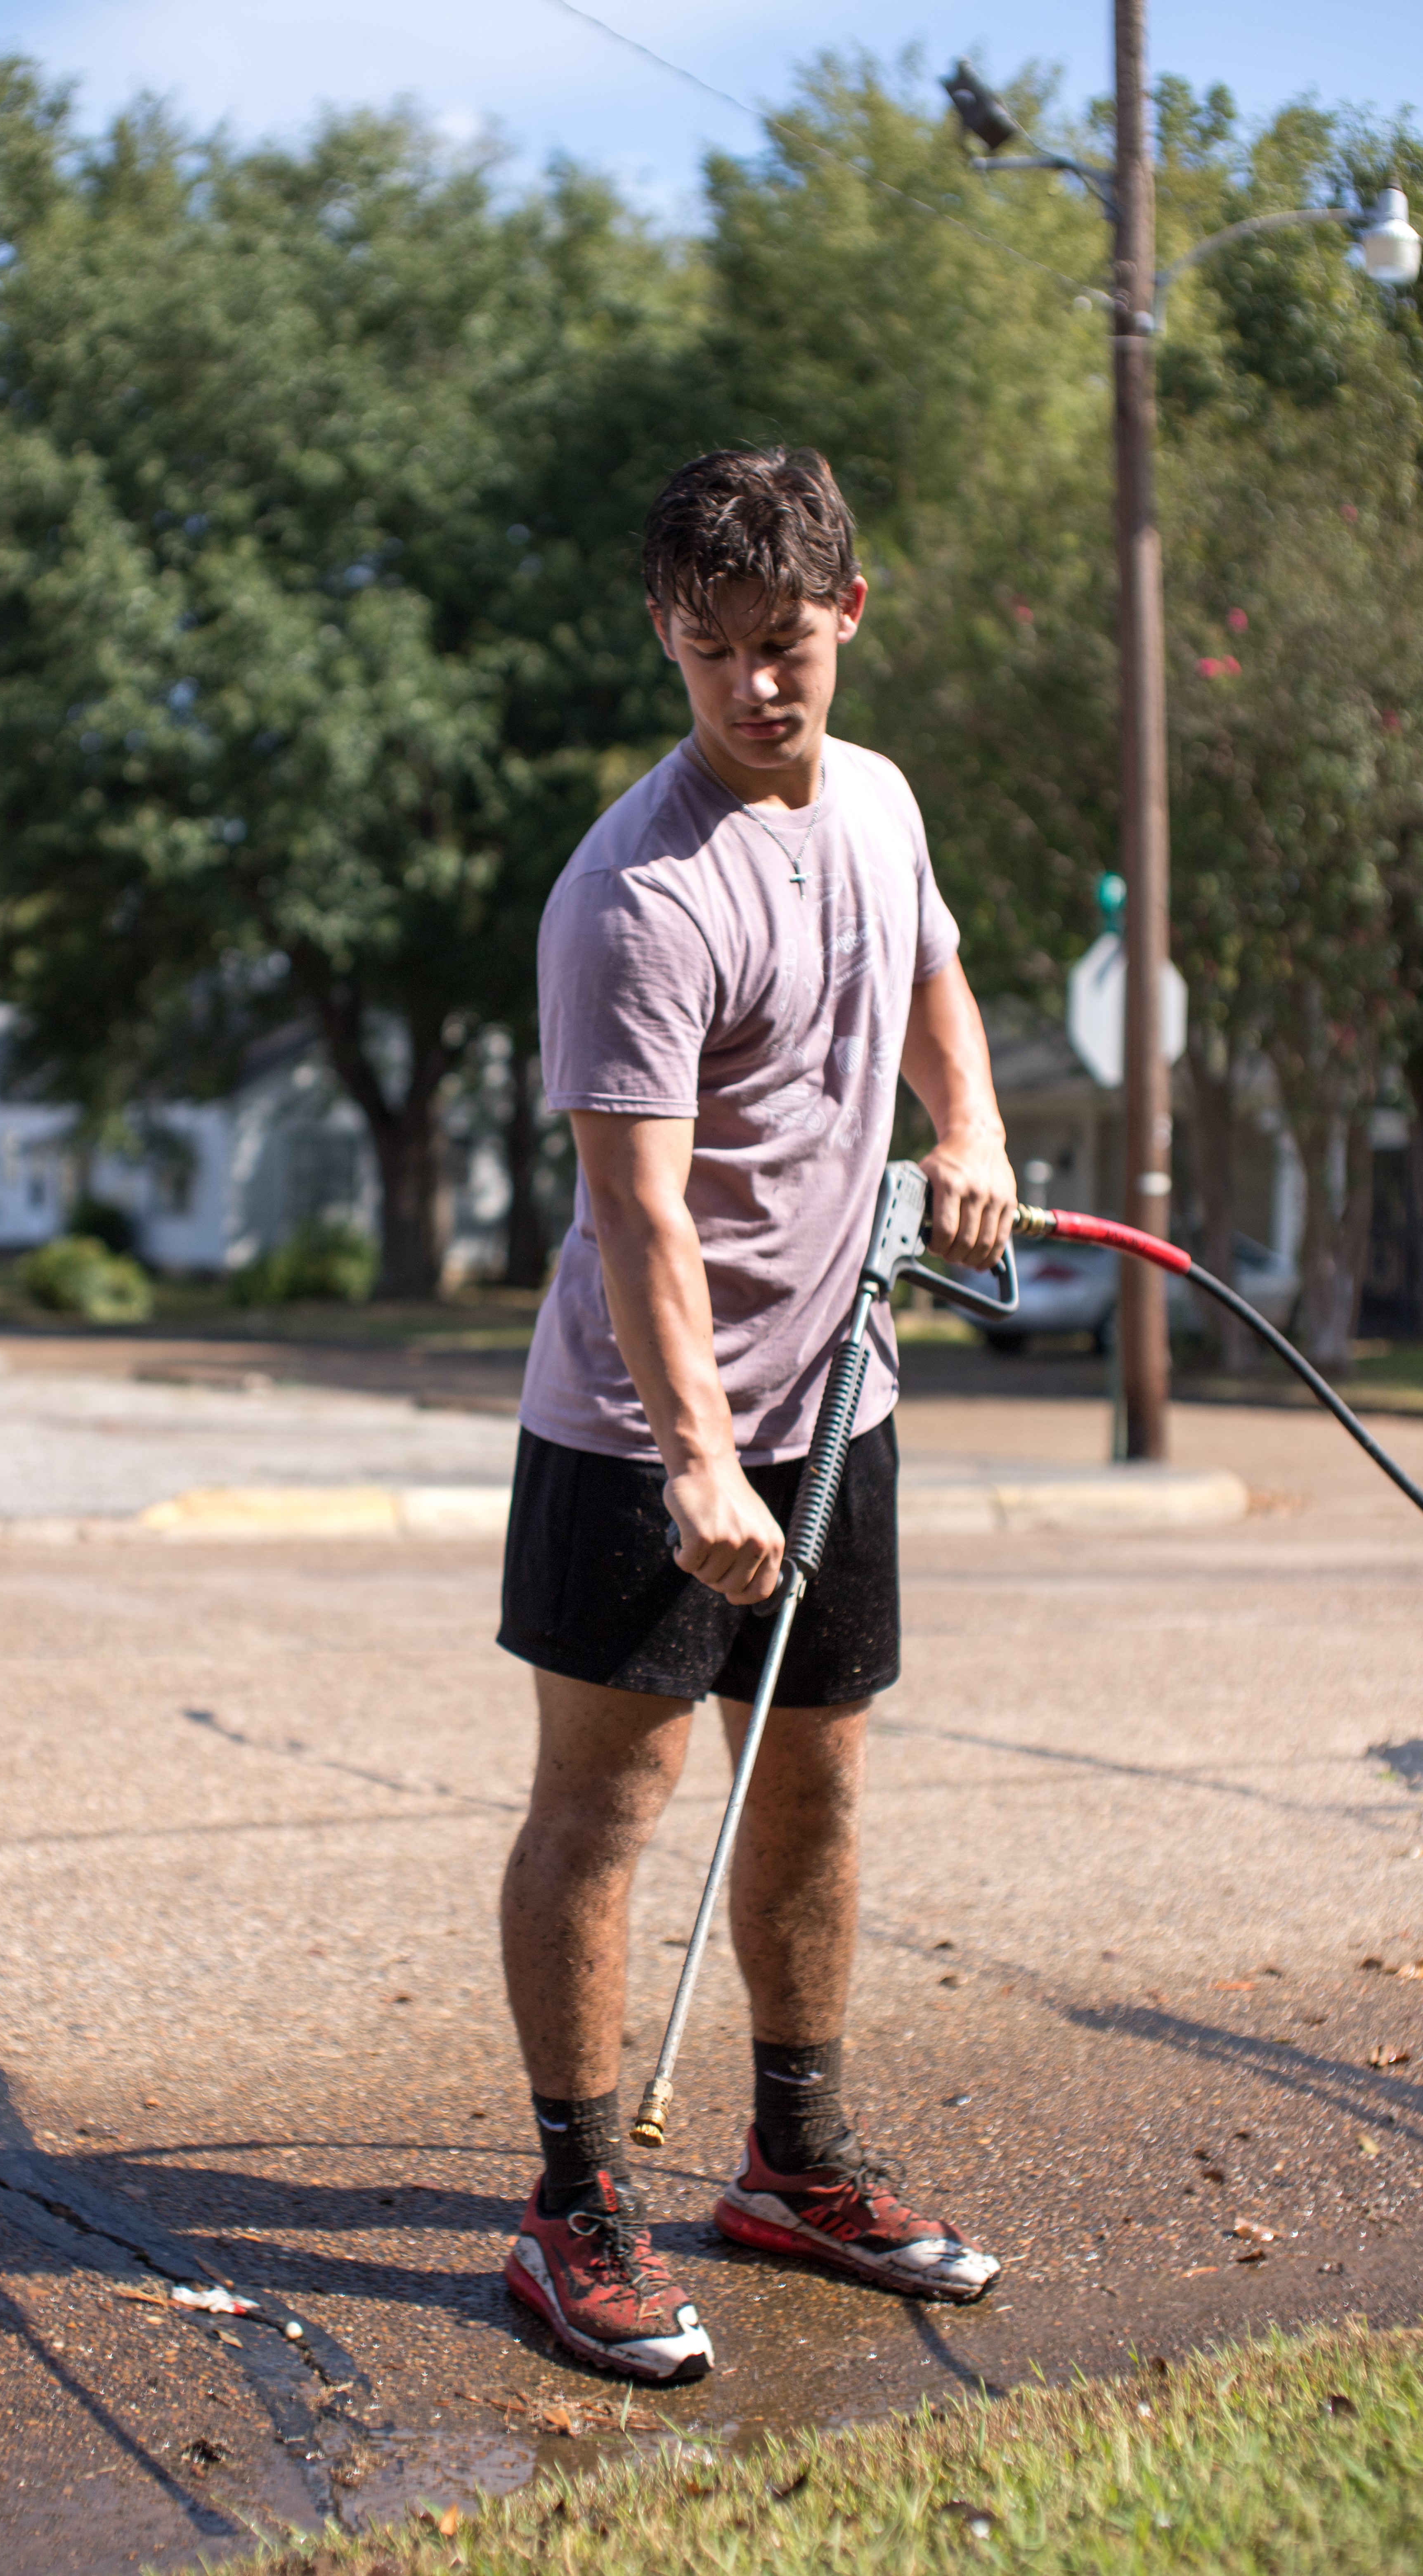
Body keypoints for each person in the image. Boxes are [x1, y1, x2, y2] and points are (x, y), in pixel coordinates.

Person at [496, 446, 1016, 2382]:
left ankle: (788, 2167)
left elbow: (932, 975)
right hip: (644, 1433)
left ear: (846, 620)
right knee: (606, 1806)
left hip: (837, 1395)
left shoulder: (874, 803)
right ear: (664, 639)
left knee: (814, 1787)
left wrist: (962, 1128)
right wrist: (700, 1460)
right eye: (708, 651)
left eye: (782, 646)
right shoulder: (631, 895)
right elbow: (634, 1213)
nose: (751, 690)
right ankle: (571, 2207)